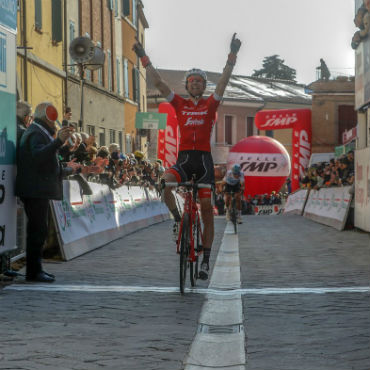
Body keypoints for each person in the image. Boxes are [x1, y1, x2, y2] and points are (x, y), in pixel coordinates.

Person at [133, 33, 242, 280]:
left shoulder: (210, 104)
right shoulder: (179, 103)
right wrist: (143, 57)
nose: (195, 84)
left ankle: (205, 259)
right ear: (187, 85)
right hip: (183, 160)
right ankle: (176, 218)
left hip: (203, 161)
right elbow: (159, 83)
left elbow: (223, 83)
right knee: (165, 183)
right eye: (191, 81)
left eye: (199, 82)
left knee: (206, 209)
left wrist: (231, 56)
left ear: (204, 86)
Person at [15, 102, 82, 283]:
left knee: (38, 230)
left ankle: (35, 270)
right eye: (53, 117)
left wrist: (63, 146)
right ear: (46, 116)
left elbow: (46, 155)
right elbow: (39, 156)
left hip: (37, 188)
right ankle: (34, 272)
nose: (56, 122)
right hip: (35, 189)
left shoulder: (38, 131)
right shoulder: (36, 132)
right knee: (38, 231)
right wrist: (59, 141)